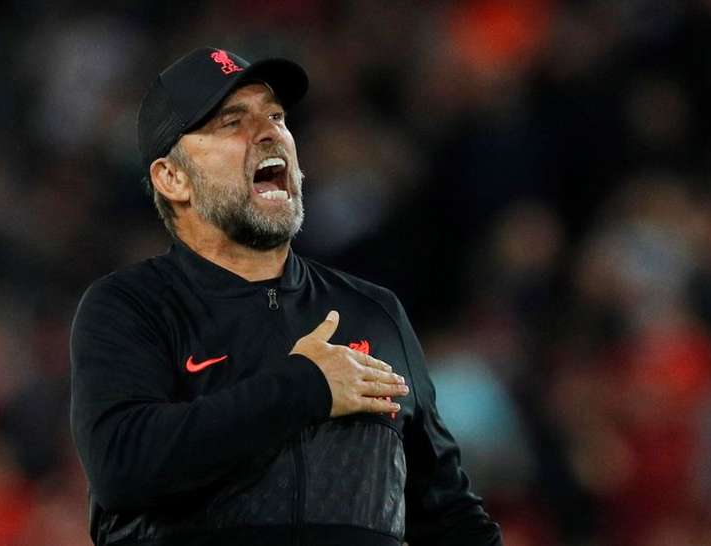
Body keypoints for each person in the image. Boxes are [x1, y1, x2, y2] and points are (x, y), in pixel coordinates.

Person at [70, 46, 502, 546]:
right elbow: (122, 466)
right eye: (232, 122)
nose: (270, 131)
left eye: (275, 115)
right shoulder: (131, 306)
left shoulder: (374, 312)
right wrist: (305, 387)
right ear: (172, 178)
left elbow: (447, 513)